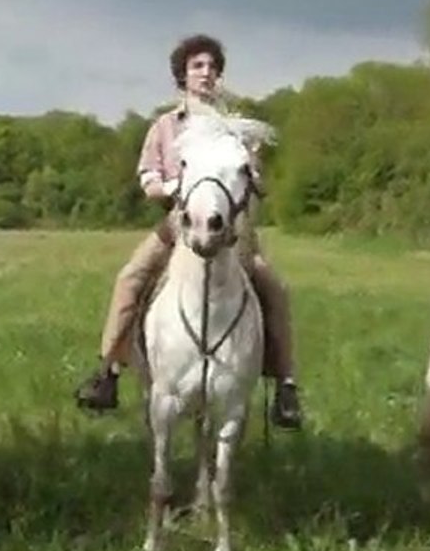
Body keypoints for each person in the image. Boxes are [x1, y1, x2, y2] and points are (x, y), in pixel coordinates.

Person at [73, 33, 304, 429]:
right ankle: (108, 372)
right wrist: (172, 188)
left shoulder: (236, 128)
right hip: (177, 225)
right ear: (182, 75)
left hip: (234, 231)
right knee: (131, 278)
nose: (207, 73)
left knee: (273, 289)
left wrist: (252, 168)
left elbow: (260, 186)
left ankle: (285, 386)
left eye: (213, 67)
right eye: (198, 66)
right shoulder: (164, 127)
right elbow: (148, 181)